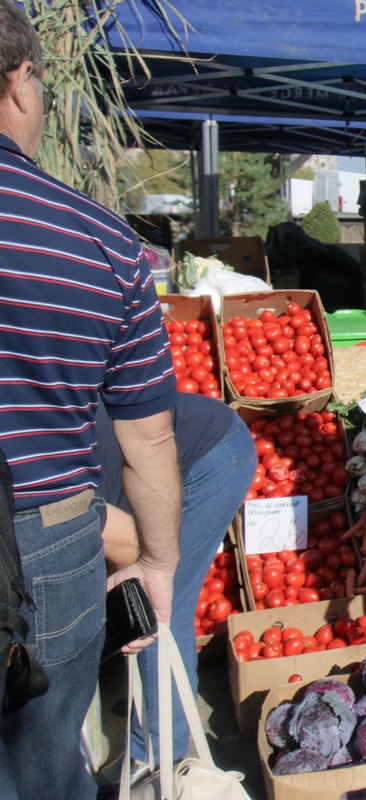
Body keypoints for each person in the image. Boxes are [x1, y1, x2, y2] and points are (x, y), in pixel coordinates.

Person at [0, 5, 182, 798]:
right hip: (46, 541)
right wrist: (158, 563)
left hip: (47, 534)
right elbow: (147, 441)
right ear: (22, 82)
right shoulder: (100, 242)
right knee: (42, 765)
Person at [92, 395, 255, 793]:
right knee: (147, 601)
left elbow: (125, 543)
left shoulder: (34, 463)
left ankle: (159, 755)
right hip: (159, 463)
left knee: (158, 603)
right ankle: (152, 750)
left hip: (209, 458)